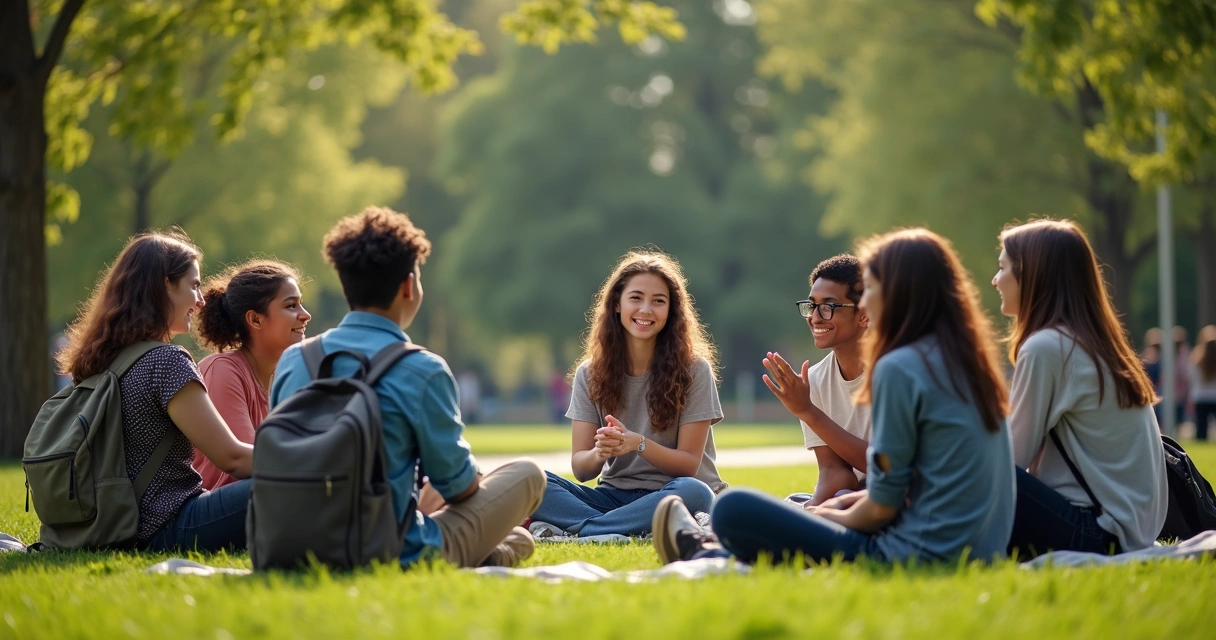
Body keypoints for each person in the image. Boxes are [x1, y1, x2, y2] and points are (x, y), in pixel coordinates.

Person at [653, 228, 1015, 565]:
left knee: (733, 507)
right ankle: (711, 548)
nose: (866, 304)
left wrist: (820, 514)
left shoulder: (899, 368)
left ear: (900, 293)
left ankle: (706, 550)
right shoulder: (966, 362)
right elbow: (907, 483)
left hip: (914, 551)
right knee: (794, 507)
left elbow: (881, 506)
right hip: (980, 549)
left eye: (870, 288)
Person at [270, 207, 545, 568]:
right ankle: (490, 554)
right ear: (408, 285)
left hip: (294, 547)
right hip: (391, 552)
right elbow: (458, 487)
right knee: (528, 477)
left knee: (513, 537)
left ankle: (492, 551)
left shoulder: (294, 360)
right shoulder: (421, 369)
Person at [55, 231, 254, 552]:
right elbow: (231, 458)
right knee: (285, 485)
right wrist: (308, 463)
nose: (201, 300)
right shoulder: (166, 361)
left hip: (113, 522)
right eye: (193, 285)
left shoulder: (100, 359)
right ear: (164, 286)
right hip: (166, 525)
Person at [994, 219, 1166, 557]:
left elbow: (1008, 462)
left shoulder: (1046, 348)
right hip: (1128, 530)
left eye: (1002, 268)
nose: (996, 280)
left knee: (971, 471)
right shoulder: (1091, 343)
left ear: (1031, 275)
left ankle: (875, 523)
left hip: (1097, 533)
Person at [528, 251, 724, 537]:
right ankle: (613, 527)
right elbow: (582, 469)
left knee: (694, 492)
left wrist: (637, 443)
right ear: (617, 304)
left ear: (671, 311)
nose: (645, 309)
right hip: (613, 499)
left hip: (674, 493)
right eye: (636, 298)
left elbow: (688, 465)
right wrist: (600, 451)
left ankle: (584, 530)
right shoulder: (589, 373)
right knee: (530, 480)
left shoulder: (695, 370)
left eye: (658, 301)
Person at [191, 260, 311, 489]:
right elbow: (244, 466)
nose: (305, 315)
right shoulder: (222, 369)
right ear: (255, 319)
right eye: (291, 306)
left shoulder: (284, 380)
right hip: (217, 509)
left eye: (301, 304)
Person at [768, 254, 872, 506]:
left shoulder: (893, 372)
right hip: (848, 498)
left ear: (864, 315)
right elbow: (834, 472)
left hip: (892, 498)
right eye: (811, 305)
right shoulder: (813, 381)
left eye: (828, 306)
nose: (815, 317)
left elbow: (887, 467)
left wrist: (807, 412)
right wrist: (814, 509)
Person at [1189, 325, 1216, 441]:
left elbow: (1191, 376)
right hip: (1214, 396)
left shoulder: (1197, 358)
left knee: (1201, 428)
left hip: (1200, 397)